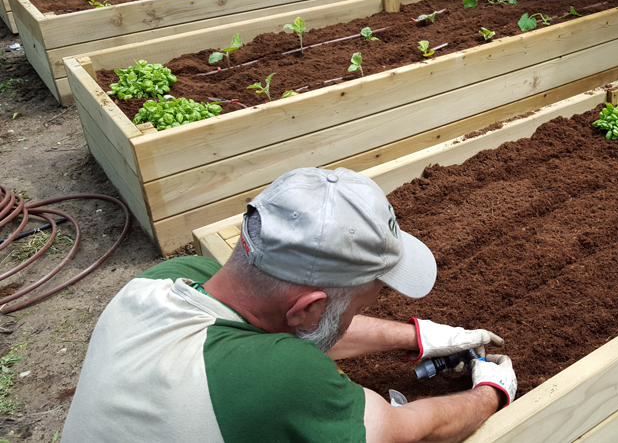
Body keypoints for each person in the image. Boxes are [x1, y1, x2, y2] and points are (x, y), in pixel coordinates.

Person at [61, 167, 516, 443]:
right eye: (357, 308)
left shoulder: (163, 282)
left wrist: (418, 337)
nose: (354, 317)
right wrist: (489, 394)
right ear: (307, 310)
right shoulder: (281, 380)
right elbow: (407, 430)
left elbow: (291, 327)